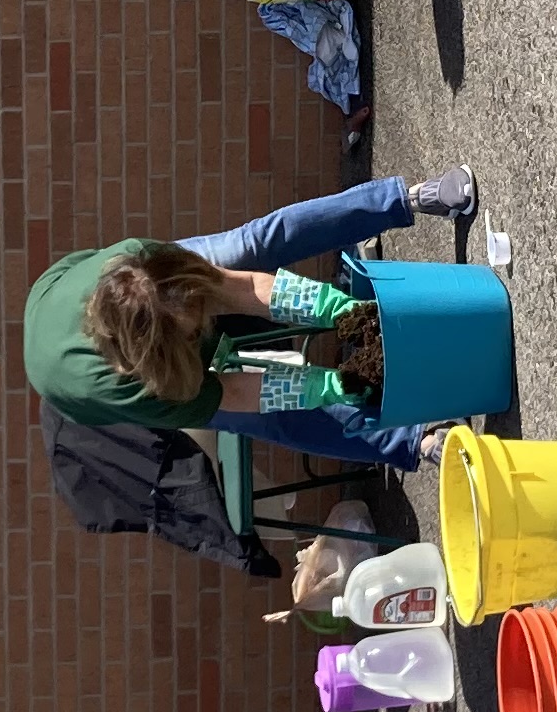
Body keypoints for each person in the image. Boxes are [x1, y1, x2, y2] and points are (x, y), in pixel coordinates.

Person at [26, 171, 479, 482]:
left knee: (253, 243)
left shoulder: (142, 267)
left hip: (63, 292)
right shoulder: (146, 392)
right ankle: (417, 442)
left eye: (198, 305)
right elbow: (242, 391)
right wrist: (339, 381)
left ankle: (407, 198)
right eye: (192, 330)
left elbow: (244, 290)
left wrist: (345, 313)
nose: (209, 321)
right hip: (102, 382)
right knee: (277, 418)